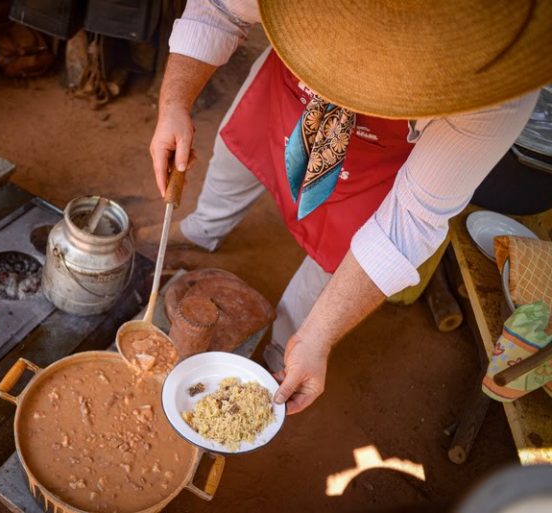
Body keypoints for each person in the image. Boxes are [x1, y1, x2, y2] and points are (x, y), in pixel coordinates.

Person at [141, 0, 552, 415]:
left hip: (380, 157)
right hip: (286, 90)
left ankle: (281, 353)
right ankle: (202, 229)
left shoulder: (493, 92)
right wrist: (174, 103)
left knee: (331, 263)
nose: (360, 73)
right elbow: (219, 9)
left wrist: (319, 335)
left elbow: (408, 222)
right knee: (237, 157)